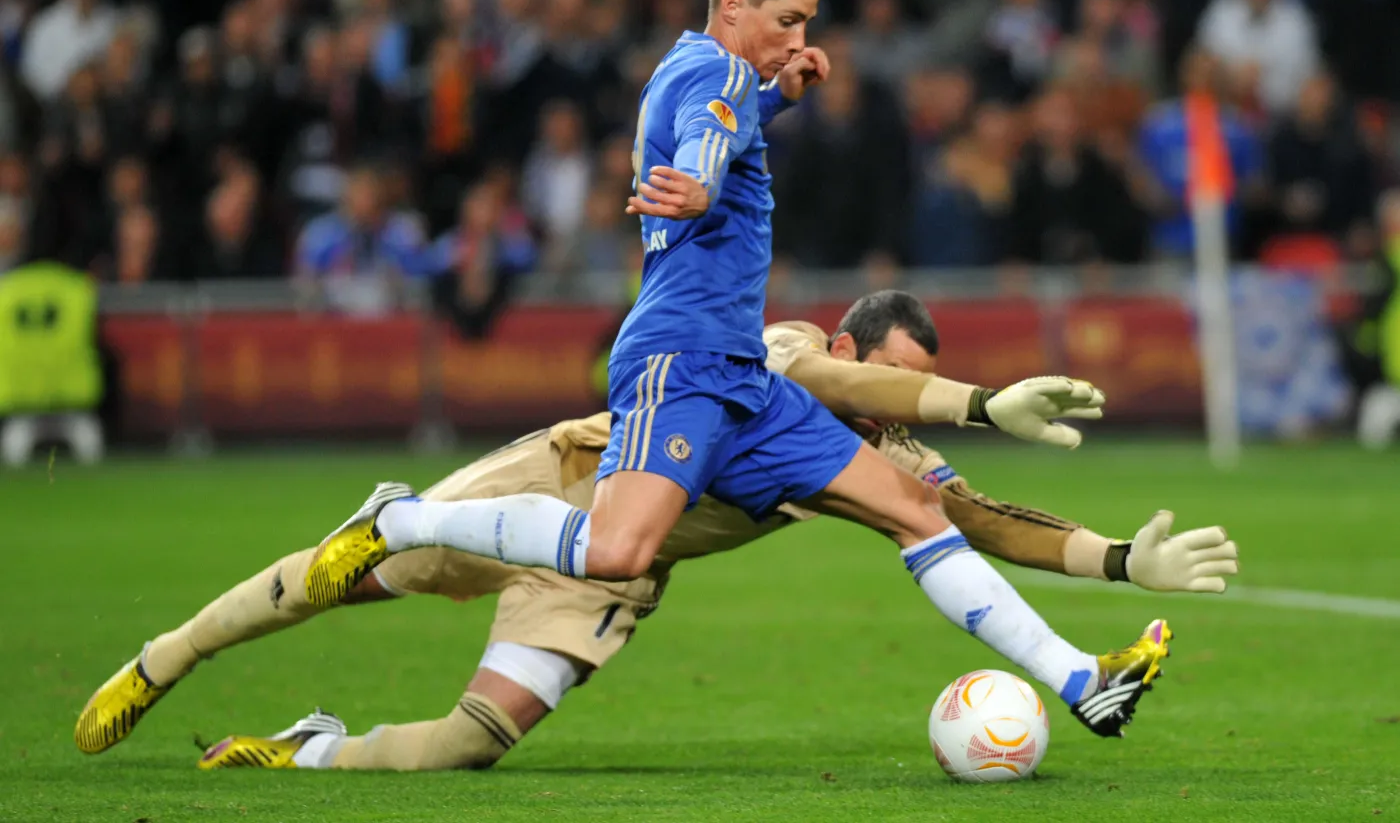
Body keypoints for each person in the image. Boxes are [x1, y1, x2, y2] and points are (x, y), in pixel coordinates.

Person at [305, 0, 1168, 739]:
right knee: (614, 549)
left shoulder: (703, 72)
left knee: (915, 506)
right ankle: (407, 518)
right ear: (733, 8)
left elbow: (724, 120)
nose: (798, 39)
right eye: (786, 20)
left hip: (744, 376)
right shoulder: (716, 80)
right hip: (679, 360)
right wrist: (704, 188)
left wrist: (779, 96)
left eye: (806, 26)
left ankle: (1082, 680)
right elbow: (709, 144)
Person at [74, 292, 1240, 769]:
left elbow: (981, 518)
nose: (895, 402)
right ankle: (164, 656)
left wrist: (1123, 561)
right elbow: (844, 386)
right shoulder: (775, 351)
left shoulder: (878, 461)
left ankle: (308, 748)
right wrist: (956, 404)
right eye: (890, 377)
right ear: (849, 348)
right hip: (563, 483)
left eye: (915, 386)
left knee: (472, 745)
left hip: (613, 578)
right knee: (355, 567)